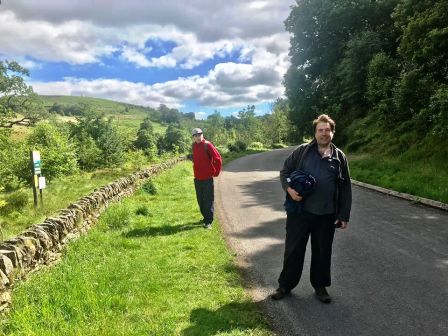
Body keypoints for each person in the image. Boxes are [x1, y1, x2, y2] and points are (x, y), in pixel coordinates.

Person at [271, 114, 352, 303]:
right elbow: (285, 172)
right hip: (300, 212)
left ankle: (320, 287)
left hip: (326, 214)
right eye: (320, 130)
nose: (324, 133)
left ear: (332, 132)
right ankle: (285, 286)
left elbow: (345, 187)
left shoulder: (339, 157)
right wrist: (289, 190)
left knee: (323, 252)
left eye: (327, 130)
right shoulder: (302, 152)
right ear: (315, 133)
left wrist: (343, 214)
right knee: (293, 250)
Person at [191, 128, 222, 229]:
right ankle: (205, 217)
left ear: (202, 135)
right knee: (200, 200)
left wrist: (216, 172)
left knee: (208, 200)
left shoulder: (207, 145)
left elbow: (218, 158)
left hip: (207, 179)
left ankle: (209, 221)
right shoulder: (194, 146)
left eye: (199, 135)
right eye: (195, 136)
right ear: (193, 138)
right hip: (197, 178)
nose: (198, 137)